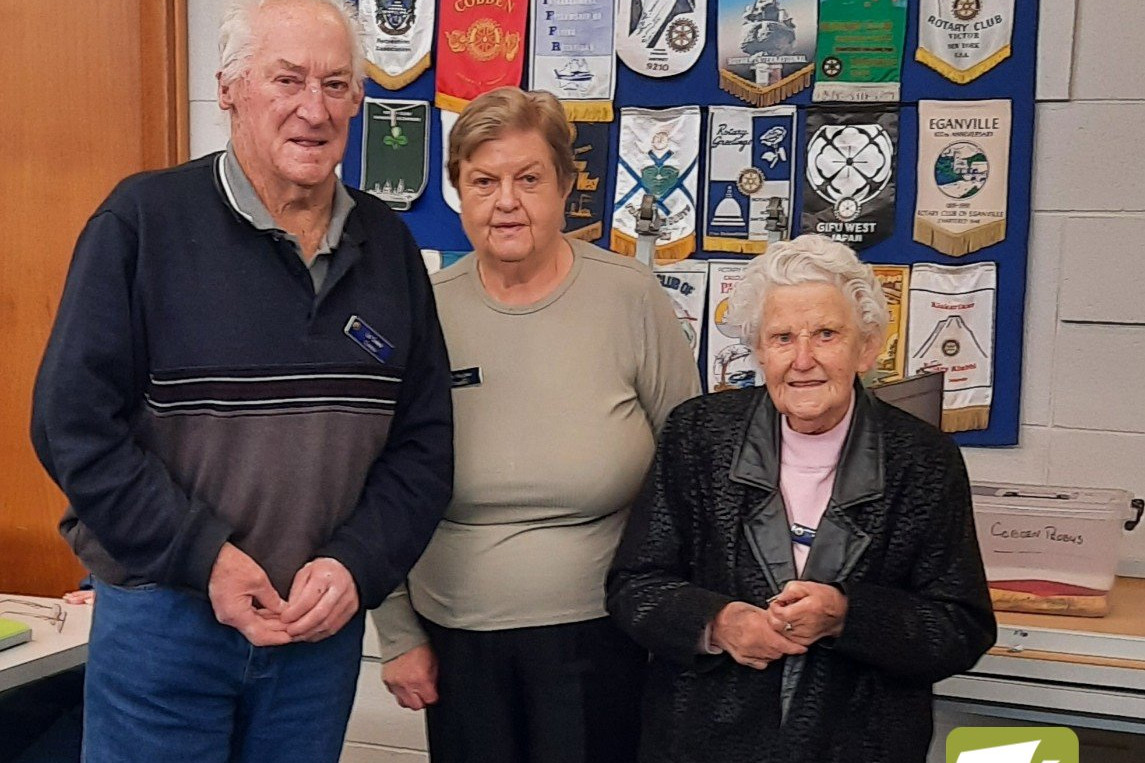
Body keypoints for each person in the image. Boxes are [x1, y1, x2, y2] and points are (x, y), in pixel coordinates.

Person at [29, 0, 453, 760]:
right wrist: (206, 558)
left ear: (360, 100)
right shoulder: (142, 222)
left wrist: (356, 563)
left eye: (334, 84)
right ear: (228, 88)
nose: (312, 108)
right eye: (286, 79)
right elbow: (71, 425)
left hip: (314, 633)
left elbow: (424, 448)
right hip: (166, 620)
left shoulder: (388, 247)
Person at [373, 86, 701, 763]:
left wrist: (679, 620)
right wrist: (399, 633)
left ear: (565, 186)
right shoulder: (421, 312)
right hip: (455, 643)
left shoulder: (630, 298)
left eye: (528, 178)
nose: (506, 201)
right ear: (458, 190)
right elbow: (378, 486)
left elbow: (689, 471)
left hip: (604, 638)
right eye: (483, 180)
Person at [607, 234, 996, 763]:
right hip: (703, 742)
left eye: (827, 334)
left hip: (862, 745)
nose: (803, 359)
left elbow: (961, 627)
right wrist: (718, 623)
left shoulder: (923, 459)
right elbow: (635, 587)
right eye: (783, 337)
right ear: (759, 351)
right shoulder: (697, 436)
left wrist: (847, 617)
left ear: (867, 347)